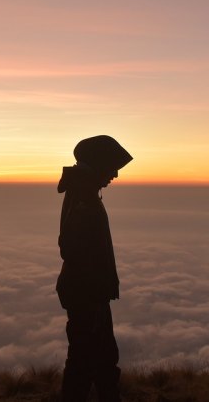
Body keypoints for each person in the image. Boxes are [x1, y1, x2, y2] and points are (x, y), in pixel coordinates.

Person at [56, 135, 132, 402]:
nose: (115, 174)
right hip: (87, 294)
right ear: (98, 165)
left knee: (102, 358)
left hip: (90, 292)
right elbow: (71, 247)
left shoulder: (83, 192)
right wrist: (95, 288)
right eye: (112, 167)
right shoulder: (84, 199)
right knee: (85, 360)